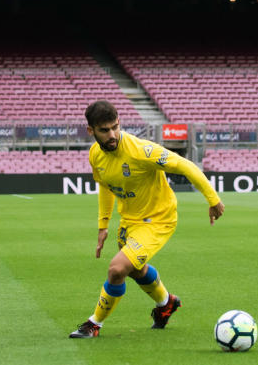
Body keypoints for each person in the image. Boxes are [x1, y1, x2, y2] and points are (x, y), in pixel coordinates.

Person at [69, 100, 223, 339]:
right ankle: (166, 303)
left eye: (115, 127)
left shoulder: (141, 150)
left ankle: (93, 324)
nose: (112, 135)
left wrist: (213, 199)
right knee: (135, 269)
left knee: (117, 269)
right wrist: (103, 225)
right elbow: (106, 187)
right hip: (129, 221)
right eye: (104, 130)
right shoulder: (95, 154)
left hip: (158, 220)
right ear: (91, 131)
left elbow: (184, 165)